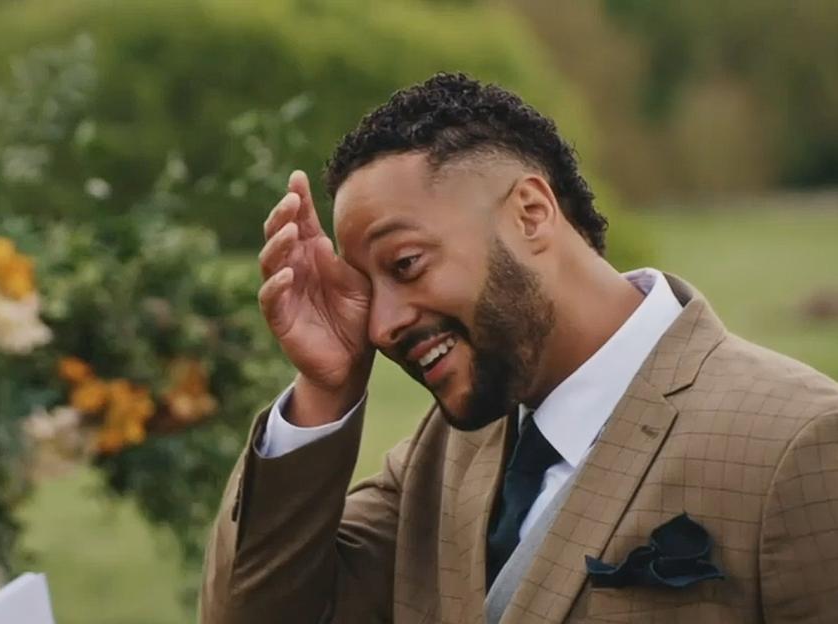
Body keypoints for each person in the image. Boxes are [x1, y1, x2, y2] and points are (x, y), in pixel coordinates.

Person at [199, 73, 838, 623]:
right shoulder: (437, 460)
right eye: (368, 289)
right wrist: (324, 389)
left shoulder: (801, 442)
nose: (380, 327)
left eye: (406, 264)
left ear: (531, 212)